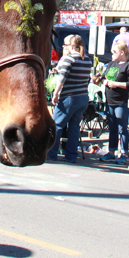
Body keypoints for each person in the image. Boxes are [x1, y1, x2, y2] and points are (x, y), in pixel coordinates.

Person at [47, 34, 93, 163]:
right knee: (74, 127)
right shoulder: (87, 60)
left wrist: (56, 93)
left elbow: (62, 79)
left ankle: (51, 153)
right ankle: (71, 155)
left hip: (69, 97)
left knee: (57, 125)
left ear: (72, 46)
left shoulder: (69, 59)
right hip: (83, 96)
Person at [98, 41, 129, 163]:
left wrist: (116, 84)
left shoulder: (128, 66)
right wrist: (105, 82)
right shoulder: (112, 64)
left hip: (121, 102)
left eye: (114, 52)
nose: (112, 54)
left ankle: (124, 152)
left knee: (122, 128)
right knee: (112, 128)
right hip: (110, 101)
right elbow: (103, 76)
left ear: (122, 53)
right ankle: (111, 151)